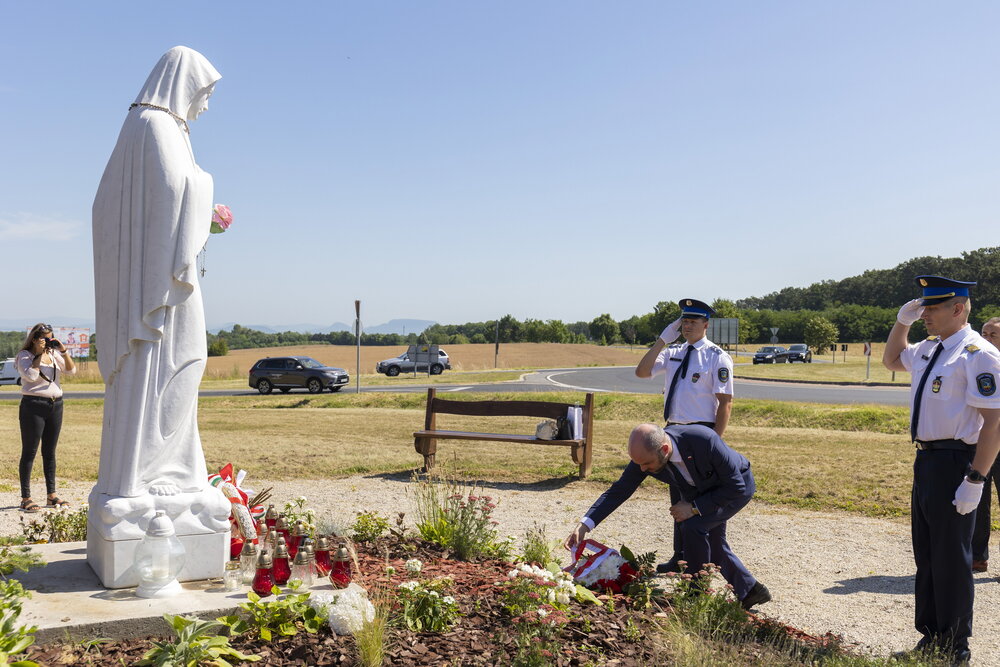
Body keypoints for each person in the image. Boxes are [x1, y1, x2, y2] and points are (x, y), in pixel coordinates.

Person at [91, 46, 221, 498]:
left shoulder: (147, 124)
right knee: (188, 357)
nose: (206, 105)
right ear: (185, 84)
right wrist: (207, 190)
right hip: (160, 284)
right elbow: (173, 187)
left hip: (157, 273)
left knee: (188, 360)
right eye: (205, 93)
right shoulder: (156, 124)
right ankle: (158, 469)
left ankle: (170, 467)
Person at [882, 276, 1000, 664]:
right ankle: (931, 637)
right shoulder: (930, 348)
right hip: (927, 460)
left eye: (932, 308)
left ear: (958, 309)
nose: (925, 315)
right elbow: (891, 360)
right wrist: (902, 323)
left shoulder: (978, 354)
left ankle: (955, 646)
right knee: (928, 556)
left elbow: (995, 423)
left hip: (956, 462)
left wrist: (976, 479)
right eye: (923, 308)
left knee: (952, 558)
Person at [563, 423, 770, 610]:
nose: (642, 469)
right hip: (702, 492)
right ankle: (751, 590)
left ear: (664, 449)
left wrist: (694, 507)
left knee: (693, 527)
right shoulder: (647, 455)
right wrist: (585, 525)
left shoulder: (703, 440)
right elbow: (619, 490)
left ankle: (695, 596)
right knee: (712, 541)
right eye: (639, 464)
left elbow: (735, 486)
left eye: (647, 464)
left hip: (733, 488)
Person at [635, 299, 734, 573]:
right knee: (679, 497)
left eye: (693, 321)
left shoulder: (716, 356)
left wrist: (715, 441)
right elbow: (641, 372)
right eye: (684, 322)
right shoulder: (673, 352)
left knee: (704, 500)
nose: (687, 326)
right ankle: (680, 557)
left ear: (706, 324)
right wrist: (662, 340)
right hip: (672, 433)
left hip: (703, 433)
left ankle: (709, 559)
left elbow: (725, 403)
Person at [15, 323, 76, 512]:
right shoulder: (24, 356)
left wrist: (63, 351)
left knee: (50, 452)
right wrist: (40, 354)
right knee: (30, 451)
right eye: (44, 338)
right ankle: (26, 498)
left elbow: (71, 371)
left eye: (50, 337)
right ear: (34, 339)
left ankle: (51, 495)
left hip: (55, 405)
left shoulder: (54, 354)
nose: (48, 341)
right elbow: (31, 376)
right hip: (33, 405)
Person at [971, 316, 1000, 573]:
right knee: (977, 498)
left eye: (993, 335)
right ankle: (977, 557)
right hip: (981, 440)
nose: (987, 338)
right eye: (984, 333)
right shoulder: (976, 362)